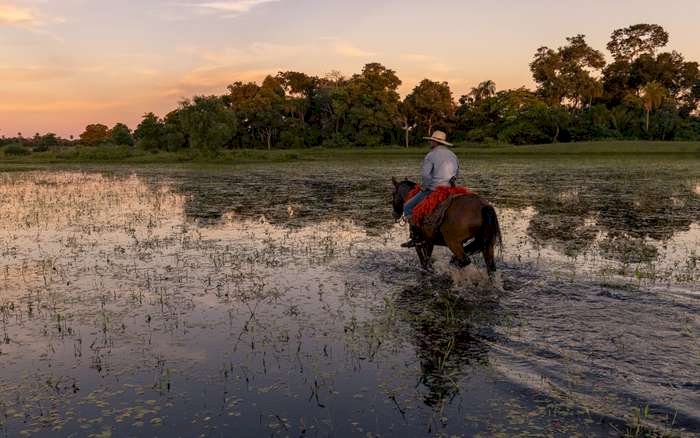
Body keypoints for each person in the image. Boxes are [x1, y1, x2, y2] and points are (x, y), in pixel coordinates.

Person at [401, 130, 460, 248]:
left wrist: (425, 187)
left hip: (434, 189)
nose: (430, 142)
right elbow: (456, 173)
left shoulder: (431, 155)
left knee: (407, 207)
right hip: (450, 189)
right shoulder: (453, 155)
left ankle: (416, 237)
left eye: (431, 140)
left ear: (435, 142)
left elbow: (426, 175)